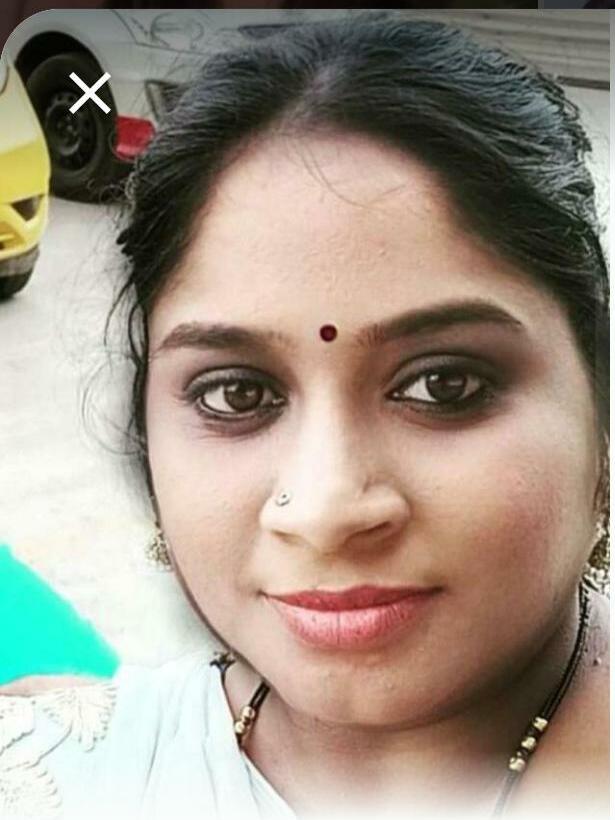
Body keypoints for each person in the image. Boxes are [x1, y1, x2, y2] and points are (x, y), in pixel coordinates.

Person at [0, 14, 608, 820]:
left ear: (598, 415)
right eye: (235, 395)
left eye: (443, 385)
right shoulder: (54, 773)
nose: (322, 510)